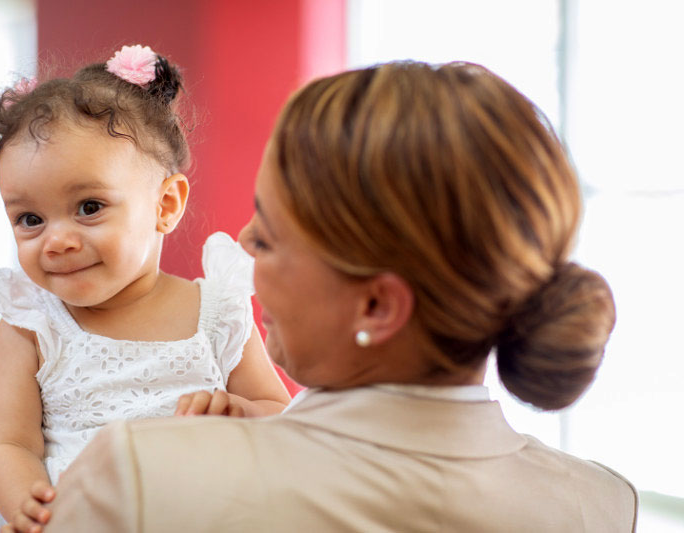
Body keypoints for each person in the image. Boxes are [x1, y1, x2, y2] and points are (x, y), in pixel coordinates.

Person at [33, 61, 636, 532]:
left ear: (376, 307)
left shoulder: (141, 480)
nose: (242, 242)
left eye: (268, 234)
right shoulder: (606, 508)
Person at [0, 44, 291, 533]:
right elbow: (9, 444)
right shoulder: (32, 326)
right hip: (75, 512)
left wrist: (241, 411)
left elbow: (280, 415)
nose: (56, 240)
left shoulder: (218, 314)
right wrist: (31, 508)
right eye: (30, 219)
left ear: (165, 204)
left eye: (89, 207)